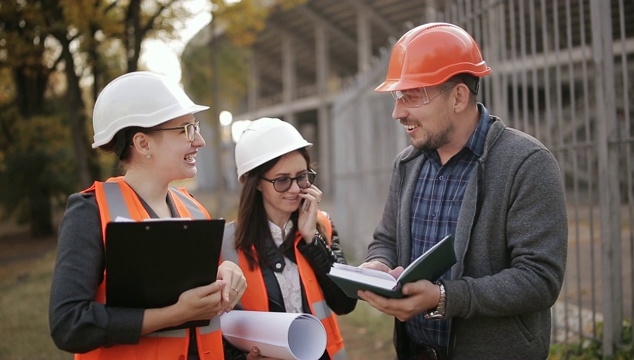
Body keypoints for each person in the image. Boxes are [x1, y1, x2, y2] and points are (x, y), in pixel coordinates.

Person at [357, 22, 568, 359]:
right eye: (398, 97)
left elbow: (539, 280)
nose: (398, 112)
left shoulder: (527, 163)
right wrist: (379, 265)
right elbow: (387, 240)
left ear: (458, 96)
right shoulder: (407, 164)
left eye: (411, 95)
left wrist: (444, 297)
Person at [49, 71, 247, 360]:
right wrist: (174, 314)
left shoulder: (194, 209)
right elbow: (69, 325)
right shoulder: (90, 212)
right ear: (143, 144)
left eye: (196, 127)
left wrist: (228, 272)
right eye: (186, 129)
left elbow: (204, 316)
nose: (200, 141)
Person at [220, 117, 356, 360]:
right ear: (256, 183)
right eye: (282, 180)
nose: (295, 189)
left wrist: (312, 239)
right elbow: (215, 329)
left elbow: (346, 304)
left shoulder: (322, 225)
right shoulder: (226, 244)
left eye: (302, 176)